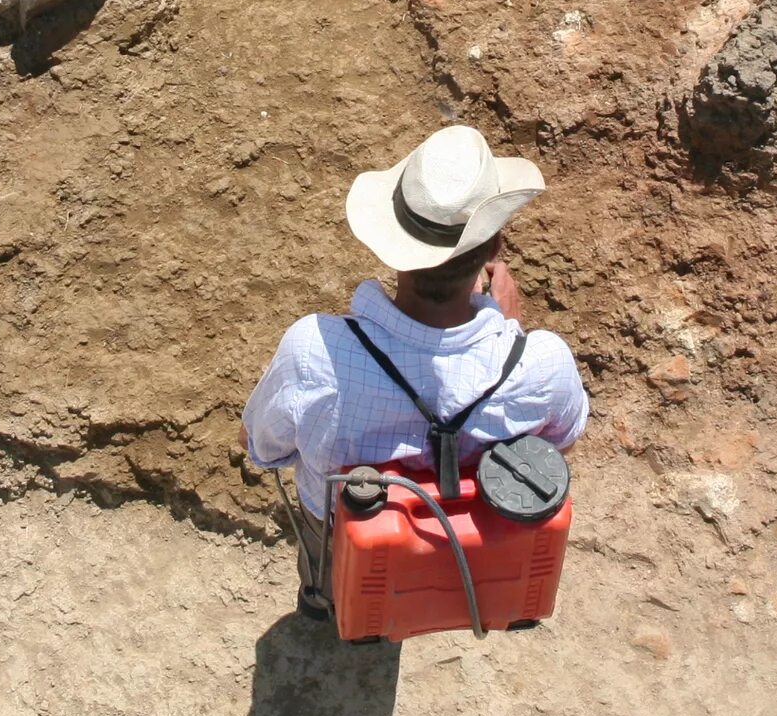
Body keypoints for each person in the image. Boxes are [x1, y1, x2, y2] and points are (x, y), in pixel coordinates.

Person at [244, 125, 589, 617]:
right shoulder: (544, 364)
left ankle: (325, 606)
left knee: (332, 576)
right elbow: (561, 442)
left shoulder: (315, 352)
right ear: (494, 250)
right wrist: (511, 336)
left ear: (393, 246)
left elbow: (260, 448)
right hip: (481, 536)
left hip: (348, 533)